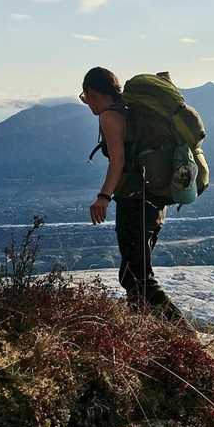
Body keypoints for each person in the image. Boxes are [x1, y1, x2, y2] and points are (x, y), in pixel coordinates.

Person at [80, 66, 178, 317]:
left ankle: (185, 335)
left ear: (92, 91)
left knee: (139, 277)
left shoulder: (110, 116)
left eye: (85, 97)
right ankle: (142, 333)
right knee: (132, 274)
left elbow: (118, 161)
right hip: (155, 202)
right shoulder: (131, 109)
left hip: (135, 202)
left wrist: (103, 197)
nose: (87, 103)